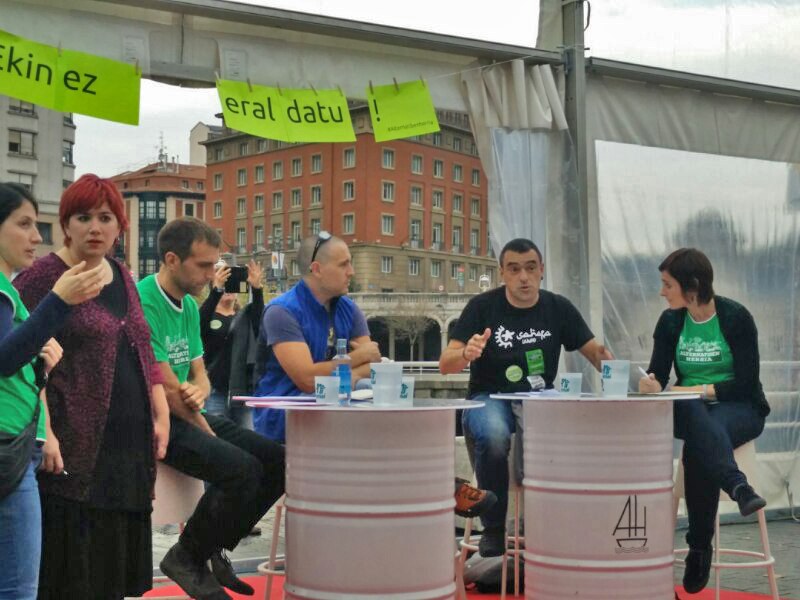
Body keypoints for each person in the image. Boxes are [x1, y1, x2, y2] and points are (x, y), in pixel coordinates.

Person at [255, 232, 496, 519]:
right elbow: (308, 381)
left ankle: (437, 487)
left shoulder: (348, 308)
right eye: (344, 264)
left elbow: (375, 366)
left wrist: (350, 373)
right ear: (317, 269)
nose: (352, 272)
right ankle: (441, 486)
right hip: (289, 416)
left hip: (338, 410)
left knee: (392, 411)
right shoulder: (282, 312)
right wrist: (355, 361)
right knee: (375, 428)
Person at [14, 175, 171, 600]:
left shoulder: (121, 274)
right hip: (75, 446)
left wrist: (162, 412)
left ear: (121, 225)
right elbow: (23, 357)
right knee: (73, 571)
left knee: (113, 572)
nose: (95, 228)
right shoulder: (42, 275)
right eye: (83, 217)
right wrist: (46, 429)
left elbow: (142, 345)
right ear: (66, 224)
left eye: (105, 218)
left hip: (127, 444)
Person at [138, 217, 285, 600]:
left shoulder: (188, 305)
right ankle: (186, 557)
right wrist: (199, 414)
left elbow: (199, 376)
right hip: (156, 419)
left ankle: (213, 545)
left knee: (280, 461)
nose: (211, 274)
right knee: (242, 469)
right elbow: (168, 391)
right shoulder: (144, 302)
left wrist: (199, 393)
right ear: (172, 259)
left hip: (189, 411)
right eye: (203, 266)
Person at [439, 237, 612, 557]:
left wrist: (628, 379)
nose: (523, 277)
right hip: (490, 396)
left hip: (541, 398)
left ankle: (568, 523)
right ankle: (492, 528)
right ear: (502, 272)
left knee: (577, 431)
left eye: (531, 269)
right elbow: (446, 364)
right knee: (492, 433)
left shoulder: (557, 308)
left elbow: (597, 354)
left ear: (541, 271)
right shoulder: (483, 307)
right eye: (515, 269)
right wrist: (467, 351)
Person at [638, 248, 768, 594]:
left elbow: (745, 383)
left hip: (741, 409)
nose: (662, 292)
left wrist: (696, 388)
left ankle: (699, 546)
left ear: (691, 286)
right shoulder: (669, 322)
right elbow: (659, 373)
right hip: (692, 410)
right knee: (693, 412)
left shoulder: (736, 317)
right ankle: (737, 485)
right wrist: (649, 383)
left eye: (668, 285)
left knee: (700, 437)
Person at [0, 182, 103, 600]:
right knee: (18, 588)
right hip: (8, 447)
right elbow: (4, 360)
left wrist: (38, 357)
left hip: (16, 442)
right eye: (24, 224)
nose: (36, 237)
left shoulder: (8, 289)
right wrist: (57, 302)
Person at [199, 259, 264, 430]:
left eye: (232, 283)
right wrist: (217, 291)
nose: (228, 289)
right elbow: (198, 326)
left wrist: (257, 289)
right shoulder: (208, 313)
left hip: (242, 390)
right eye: (225, 282)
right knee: (218, 437)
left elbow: (260, 324)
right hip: (215, 390)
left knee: (248, 436)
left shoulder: (243, 316)